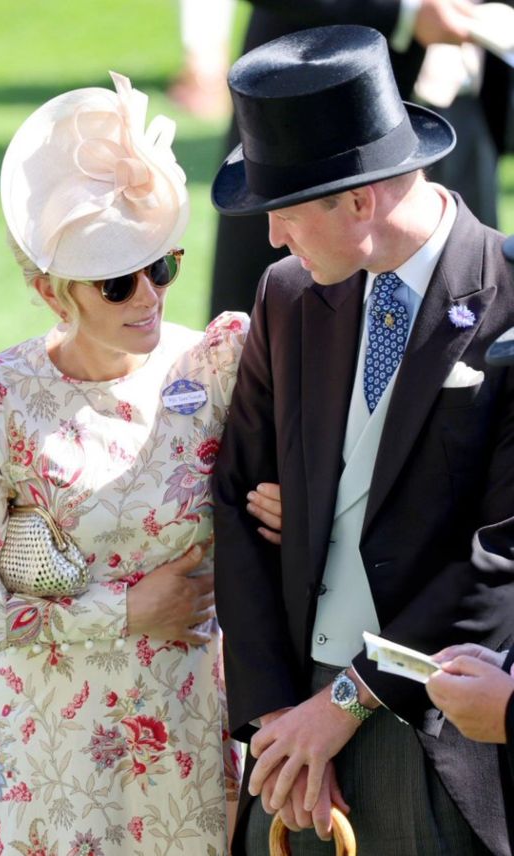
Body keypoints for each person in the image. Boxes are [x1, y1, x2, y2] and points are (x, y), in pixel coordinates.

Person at [0, 71, 281, 855]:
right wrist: (124, 611)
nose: (149, 297)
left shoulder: (220, 362)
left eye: (163, 267)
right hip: (36, 753)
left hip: (185, 739)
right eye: (117, 282)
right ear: (52, 292)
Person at [211, 25, 514, 856]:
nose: (272, 238)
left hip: (433, 732)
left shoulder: (510, 303)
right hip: (294, 746)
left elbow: (499, 554)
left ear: (359, 199)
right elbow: (237, 500)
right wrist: (278, 715)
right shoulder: (286, 295)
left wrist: (346, 703)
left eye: (285, 212)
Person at [209, 0, 512, 319]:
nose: (276, 237)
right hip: (311, 111)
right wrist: (403, 11)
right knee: (286, 324)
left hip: (464, 90)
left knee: (473, 303)